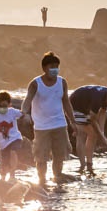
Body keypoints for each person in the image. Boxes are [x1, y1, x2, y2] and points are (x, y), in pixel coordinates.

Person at [21, 52, 77, 186]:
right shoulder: (36, 83)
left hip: (59, 124)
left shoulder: (62, 82)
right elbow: (27, 99)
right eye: (52, 66)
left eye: (57, 66)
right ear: (45, 68)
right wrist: (24, 113)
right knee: (41, 158)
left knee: (59, 156)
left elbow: (66, 102)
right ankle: (42, 181)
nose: (55, 69)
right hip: (41, 127)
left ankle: (57, 179)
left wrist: (73, 121)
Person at [69, 85, 107, 177]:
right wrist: (101, 136)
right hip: (74, 107)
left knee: (94, 135)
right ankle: (83, 164)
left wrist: (102, 133)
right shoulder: (98, 98)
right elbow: (93, 119)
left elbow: (103, 114)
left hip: (85, 108)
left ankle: (89, 163)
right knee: (84, 134)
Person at [0, 91, 24, 180]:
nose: (2, 108)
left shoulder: (12, 111)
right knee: (4, 160)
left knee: (13, 152)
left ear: (9, 104)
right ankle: (3, 177)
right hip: (2, 143)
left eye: (4, 106)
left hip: (14, 138)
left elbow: (22, 113)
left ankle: (12, 174)